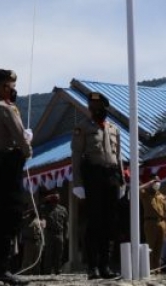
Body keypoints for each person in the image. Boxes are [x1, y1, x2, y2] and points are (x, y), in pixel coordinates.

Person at [0, 69, 32, 285]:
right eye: (11, 85)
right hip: (9, 165)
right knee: (10, 216)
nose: (14, 89)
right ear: (4, 87)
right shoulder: (6, 108)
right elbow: (20, 137)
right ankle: (1, 269)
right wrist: (27, 147)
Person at [71, 91, 125, 280]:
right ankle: (92, 266)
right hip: (93, 176)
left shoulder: (113, 129)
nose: (95, 111)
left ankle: (105, 265)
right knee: (94, 222)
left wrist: (122, 181)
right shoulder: (82, 127)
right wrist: (78, 183)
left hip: (111, 177)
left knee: (109, 223)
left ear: (105, 109)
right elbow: (76, 156)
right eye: (92, 108)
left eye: (98, 108)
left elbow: (118, 157)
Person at [140, 179, 166, 273]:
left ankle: (157, 269)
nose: (157, 183)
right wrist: (148, 183)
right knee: (150, 247)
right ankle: (149, 269)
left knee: (159, 248)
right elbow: (136, 189)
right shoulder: (145, 193)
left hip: (162, 223)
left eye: (158, 181)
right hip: (150, 222)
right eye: (155, 181)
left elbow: (165, 213)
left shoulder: (161, 196)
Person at [40, 192, 68, 275]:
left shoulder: (63, 209)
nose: (56, 199)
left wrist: (65, 235)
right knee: (48, 254)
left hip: (60, 233)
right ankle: (47, 271)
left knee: (59, 253)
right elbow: (39, 207)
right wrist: (46, 199)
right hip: (49, 233)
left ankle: (58, 270)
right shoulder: (46, 208)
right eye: (54, 198)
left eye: (57, 198)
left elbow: (66, 223)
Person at [19, 207, 43, 274]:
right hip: (28, 241)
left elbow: (42, 231)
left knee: (37, 260)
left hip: (38, 241)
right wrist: (28, 211)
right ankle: (25, 273)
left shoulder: (39, 220)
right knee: (27, 260)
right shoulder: (25, 220)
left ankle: (36, 273)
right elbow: (19, 217)